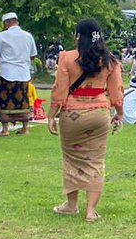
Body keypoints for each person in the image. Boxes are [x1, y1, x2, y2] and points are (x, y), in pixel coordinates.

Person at [47, 19, 123, 220]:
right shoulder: (110, 61)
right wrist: (120, 114)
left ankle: (71, 205)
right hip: (99, 113)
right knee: (95, 161)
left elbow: (59, 90)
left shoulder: (66, 58)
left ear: (78, 36)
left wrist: (51, 116)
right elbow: (117, 93)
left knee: (71, 159)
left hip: (73, 114)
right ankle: (91, 211)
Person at [0, 12, 38, 136]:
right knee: (23, 100)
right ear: (16, 21)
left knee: (4, 100)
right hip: (23, 74)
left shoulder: (2, 36)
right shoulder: (28, 36)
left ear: (6, 23)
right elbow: (32, 55)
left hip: (7, 73)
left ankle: (5, 129)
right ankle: (25, 128)